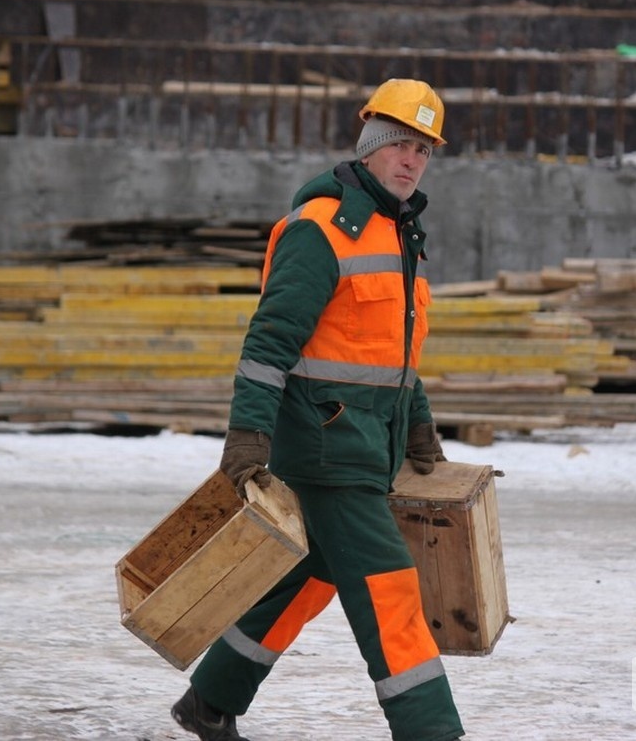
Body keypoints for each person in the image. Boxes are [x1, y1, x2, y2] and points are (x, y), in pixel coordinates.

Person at [171, 78, 465, 741]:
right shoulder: (321, 229)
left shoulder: (400, 236)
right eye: (398, 143)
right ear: (370, 144)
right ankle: (433, 733)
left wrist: (418, 429)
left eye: (423, 148)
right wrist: (246, 439)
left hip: (366, 447)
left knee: (311, 575)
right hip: (329, 451)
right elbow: (267, 344)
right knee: (391, 595)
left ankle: (210, 701)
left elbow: (390, 357)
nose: (410, 158)